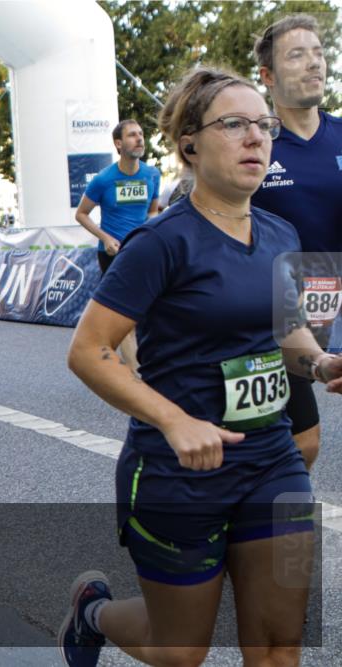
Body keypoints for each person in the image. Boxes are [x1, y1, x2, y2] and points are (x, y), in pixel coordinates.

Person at [59, 66, 342, 667]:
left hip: (274, 462)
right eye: (234, 124)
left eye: (264, 125)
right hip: (178, 475)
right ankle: (93, 613)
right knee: (178, 649)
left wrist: (318, 363)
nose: (256, 138)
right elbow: (89, 351)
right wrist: (172, 420)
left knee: (279, 645)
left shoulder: (279, 231)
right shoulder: (161, 242)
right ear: (189, 142)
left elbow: (285, 326)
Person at [250, 14, 341, 471]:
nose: (314, 64)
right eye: (297, 55)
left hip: (338, 305)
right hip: (276, 315)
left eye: (319, 53)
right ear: (267, 75)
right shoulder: (254, 144)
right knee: (301, 446)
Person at [75, 119, 161, 372]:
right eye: (132, 135)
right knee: (126, 317)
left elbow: (153, 211)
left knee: (150, 312)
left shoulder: (152, 174)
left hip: (142, 252)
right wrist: (104, 238)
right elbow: (81, 214)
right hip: (113, 254)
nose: (139, 139)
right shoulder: (103, 179)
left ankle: (144, 363)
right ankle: (138, 378)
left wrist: (149, 235)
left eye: (141, 134)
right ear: (118, 143)